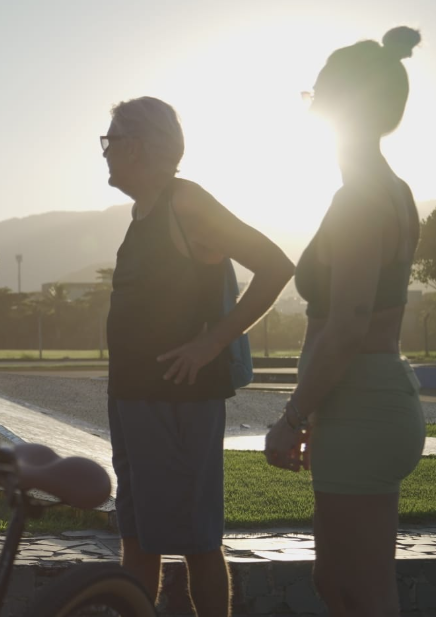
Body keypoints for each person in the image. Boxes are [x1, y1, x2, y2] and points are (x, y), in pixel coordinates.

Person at [103, 96, 293, 616]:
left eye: (110, 141)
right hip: (134, 400)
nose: (104, 153)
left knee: (197, 543)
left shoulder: (185, 203)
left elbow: (276, 265)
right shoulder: (144, 212)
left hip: (180, 403)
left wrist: (211, 343)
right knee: (139, 539)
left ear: (137, 147)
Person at [265, 27, 425, 617]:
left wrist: (293, 415)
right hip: (366, 400)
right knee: (340, 585)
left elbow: (349, 327)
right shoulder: (393, 189)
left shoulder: (360, 198)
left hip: (360, 404)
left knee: (358, 593)